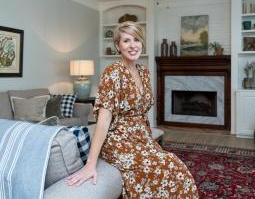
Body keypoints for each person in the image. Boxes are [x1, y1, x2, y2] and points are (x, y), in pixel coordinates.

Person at [66, 21, 198, 198]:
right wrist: (90, 164)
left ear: (142, 43)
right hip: (118, 140)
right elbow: (104, 120)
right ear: (118, 46)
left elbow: (142, 110)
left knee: (174, 164)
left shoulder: (144, 72)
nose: (133, 45)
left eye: (136, 40)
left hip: (141, 137)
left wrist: (147, 140)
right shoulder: (112, 73)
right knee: (168, 165)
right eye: (126, 40)